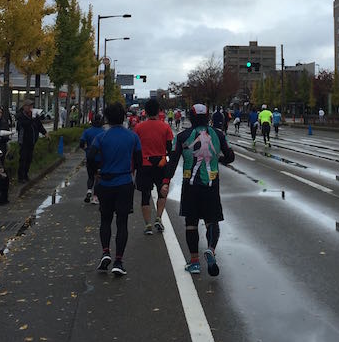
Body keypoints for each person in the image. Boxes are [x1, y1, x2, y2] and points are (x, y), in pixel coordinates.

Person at [162, 103, 235, 276]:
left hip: (190, 186)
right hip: (211, 185)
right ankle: (210, 249)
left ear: (191, 117)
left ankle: (194, 262)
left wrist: (166, 181)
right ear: (208, 117)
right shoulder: (218, 134)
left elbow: (173, 160)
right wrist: (219, 159)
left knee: (191, 223)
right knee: (212, 220)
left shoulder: (182, 136)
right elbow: (230, 156)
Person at [88, 101, 141, 276]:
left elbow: (90, 156)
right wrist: (133, 172)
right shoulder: (132, 137)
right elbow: (139, 160)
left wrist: (96, 171)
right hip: (124, 181)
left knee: (105, 219)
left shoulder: (101, 137)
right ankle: (118, 261)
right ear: (124, 117)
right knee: (122, 222)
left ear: (107, 118)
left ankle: (105, 252)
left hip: (105, 182)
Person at [134, 97, 174, 235]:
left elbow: (135, 148)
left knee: (145, 195)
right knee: (162, 192)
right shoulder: (165, 127)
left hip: (144, 164)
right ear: (158, 111)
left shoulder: (138, 127)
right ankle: (158, 217)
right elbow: (169, 147)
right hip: (161, 163)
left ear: (145, 111)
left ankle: (148, 225)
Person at [16, 100, 46, 183]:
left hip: (32, 140)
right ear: (24, 107)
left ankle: (26, 175)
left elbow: (39, 125)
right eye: (28, 106)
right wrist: (32, 118)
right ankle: (21, 177)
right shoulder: (21, 116)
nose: (30, 108)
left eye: (31, 106)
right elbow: (24, 124)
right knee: (23, 159)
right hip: (24, 141)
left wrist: (45, 133)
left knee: (29, 159)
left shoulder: (34, 115)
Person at [80, 115, 106, 204]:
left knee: (90, 176)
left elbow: (81, 143)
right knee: (98, 177)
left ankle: (89, 190)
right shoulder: (104, 132)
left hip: (90, 157)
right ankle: (95, 197)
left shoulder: (87, 131)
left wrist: (86, 150)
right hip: (100, 159)